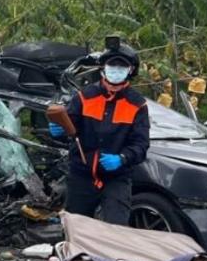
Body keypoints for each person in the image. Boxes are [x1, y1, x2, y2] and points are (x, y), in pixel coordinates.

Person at [49, 38, 149, 225]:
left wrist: (122, 158)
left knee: (116, 230)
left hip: (116, 178)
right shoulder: (85, 96)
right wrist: (59, 129)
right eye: (112, 65)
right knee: (75, 228)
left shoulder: (137, 104)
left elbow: (141, 144)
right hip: (82, 175)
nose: (116, 70)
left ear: (130, 71)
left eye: (121, 66)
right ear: (103, 68)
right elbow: (71, 127)